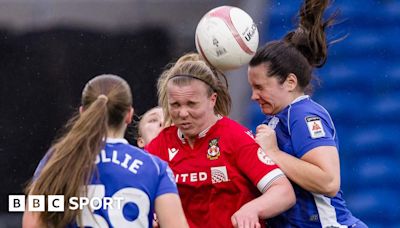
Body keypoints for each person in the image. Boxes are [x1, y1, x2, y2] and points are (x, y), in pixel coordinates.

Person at [247, 0, 367, 227]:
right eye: (252, 88)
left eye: (260, 87)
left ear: (290, 82)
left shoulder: (303, 115)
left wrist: (274, 153)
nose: (254, 96)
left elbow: (329, 181)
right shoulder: (276, 120)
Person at [145, 58, 296, 228]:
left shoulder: (235, 138)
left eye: (192, 104)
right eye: (175, 105)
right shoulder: (159, 146)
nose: (183, 113)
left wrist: (253, 209)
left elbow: (283, 192)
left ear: (212, 99)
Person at [22, 74, 189, 228]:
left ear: (83, 112)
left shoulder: (59, 158)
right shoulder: (154, 167)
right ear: (129, 115)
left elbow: (32, 224)